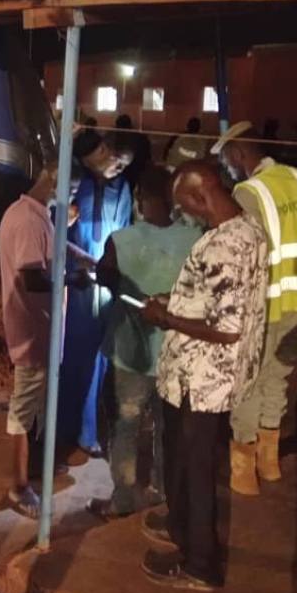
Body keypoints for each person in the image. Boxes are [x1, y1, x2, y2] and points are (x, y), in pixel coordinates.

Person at [138, 161, 266, 591]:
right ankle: (181, 526)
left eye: (184, 207)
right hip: (199, 376)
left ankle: (199, 562)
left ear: (199, 194)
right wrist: (173, 302)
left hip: (203, 380)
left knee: (195, 469)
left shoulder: (226, 246)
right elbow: (216, 302)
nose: (184, 216)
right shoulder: (246, 231)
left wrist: (167, 317)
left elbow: (228, 330)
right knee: (184, 461)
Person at [86, 166, 202, 520]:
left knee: (126, 424)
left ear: (139, 199)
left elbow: (104, 277)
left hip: (131, 354)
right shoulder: (193, 238)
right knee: (168, 429)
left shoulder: (122, 240)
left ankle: (122, 499)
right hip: (176, 353)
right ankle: (162, 492)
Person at [214, 121, 297, 492]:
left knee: (248, 384)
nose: (229, 170)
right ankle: (270, 463)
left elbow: (244, 256)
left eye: (227, 162)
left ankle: (243, 472)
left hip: (264, 304)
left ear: (239, 154)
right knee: (278, 380)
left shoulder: (248, 191)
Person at [0, 160, 91, 518]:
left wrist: (87, 262)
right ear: (53, 178)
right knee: (23, 408)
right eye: (68, 190)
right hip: (30, 330)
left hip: (41, 327)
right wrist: (74, 281)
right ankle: (19, 487)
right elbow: (31, 278)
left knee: (35, 403)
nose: (70, 199)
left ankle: (36, 466)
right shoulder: (28, 220)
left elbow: (52, 249)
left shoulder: (36, 214)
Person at [58, 130, 133, 458]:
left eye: (106, 149)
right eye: (98, 153)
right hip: (78, 288)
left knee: (99, 363)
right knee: (72, 360)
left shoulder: (121, 187)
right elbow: (55, 233)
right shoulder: (75, 187)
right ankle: (61, 431)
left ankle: (87, 432)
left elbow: (126, 233)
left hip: (107, 287)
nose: (107, 157)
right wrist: (83, 263)